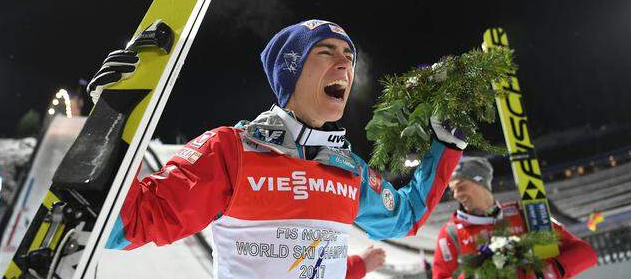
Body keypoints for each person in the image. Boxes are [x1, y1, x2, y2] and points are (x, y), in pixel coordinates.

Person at [90, 20, 467, 278]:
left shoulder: (349, 169)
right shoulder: (231, 152)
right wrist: (113, 119)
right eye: (326, 52)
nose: (345, 64)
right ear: (292, 69)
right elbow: (127, 223)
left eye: (349, 57)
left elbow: (405, 217)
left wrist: (445, 147)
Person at [432, 157, 597, 279]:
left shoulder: (523, 214)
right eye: (452, 189)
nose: (456, 195)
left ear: (480, 183)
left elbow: (586, 253)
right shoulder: (451, 233)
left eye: (461, 187)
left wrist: (549, 272)